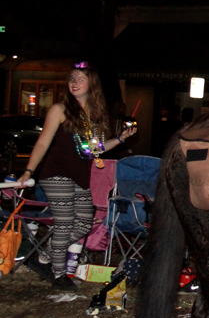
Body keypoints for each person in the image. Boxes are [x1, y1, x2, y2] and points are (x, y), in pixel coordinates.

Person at [17, 62, 136, 289]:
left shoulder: (96, 115)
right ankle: (58, 274)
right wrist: (28, 170)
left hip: (79, 176)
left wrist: (121, 138)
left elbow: (95, 149)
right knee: (64, 223)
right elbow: (43, 143)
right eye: (72, 78)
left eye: (80, 78)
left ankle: (43, 258)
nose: (74, 83)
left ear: (92, 84)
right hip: (56, 173)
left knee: (83, 224)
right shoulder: (60, 110)